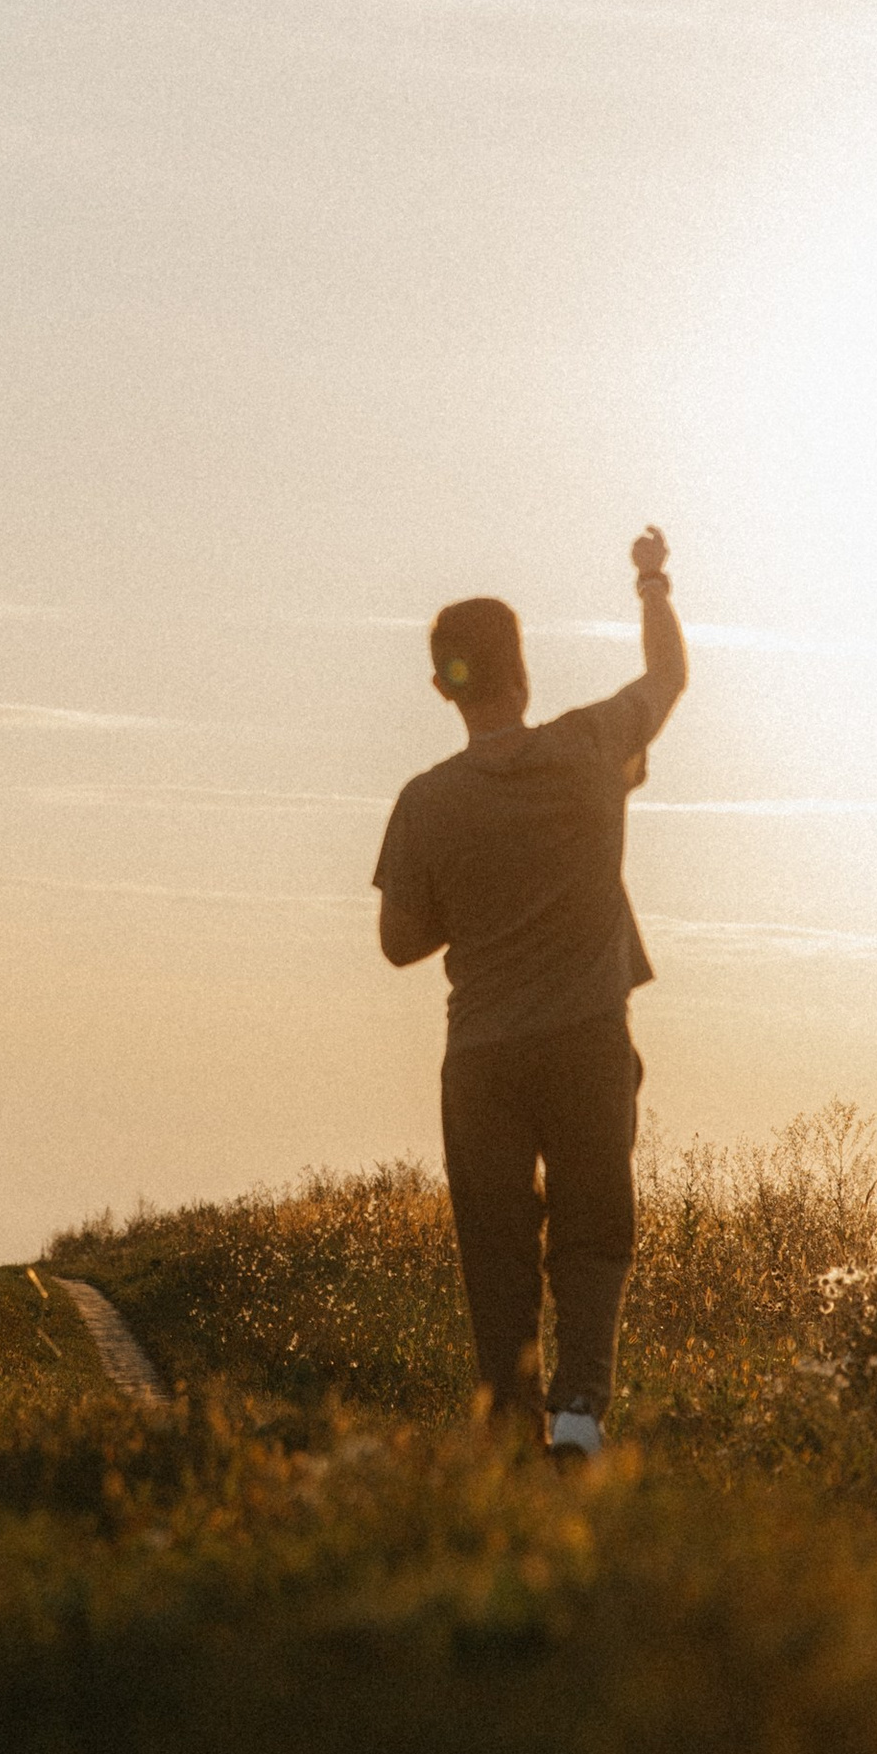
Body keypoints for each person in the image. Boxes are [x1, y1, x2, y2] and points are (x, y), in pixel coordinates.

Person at [373, 530, 688, 1461]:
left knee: (496, 1250)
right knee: (593, 1234)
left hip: (482, 1058)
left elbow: (398, 944)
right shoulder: (593, 744)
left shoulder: (425, 801)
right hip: (588, 1038)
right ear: (524, 669)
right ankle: (581, 1416)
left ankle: (508, 1426)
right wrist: (650, 581)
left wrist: (472, 901)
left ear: (445, 688)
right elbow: (668, 675)